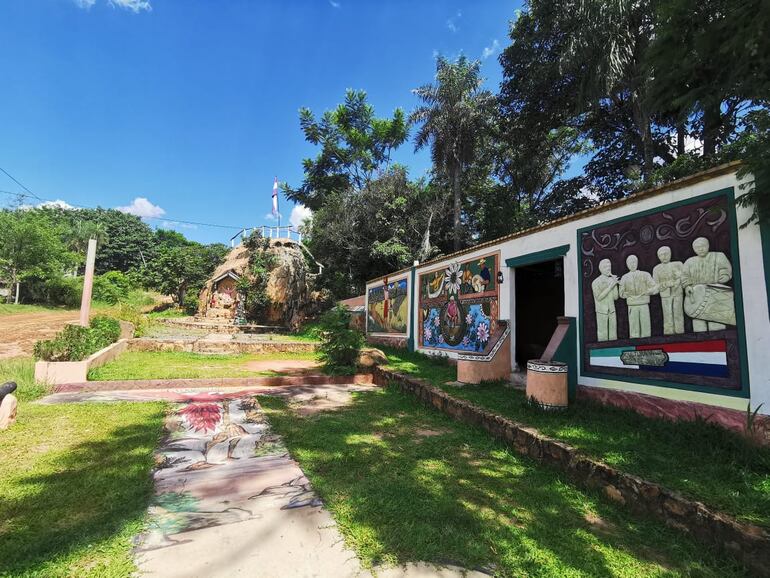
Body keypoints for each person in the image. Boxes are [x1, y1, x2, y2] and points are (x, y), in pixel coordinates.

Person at [681, 237, 733, 331]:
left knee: (716, 323)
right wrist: (687, 286)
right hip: (697, 295)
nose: (700, 249)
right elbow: (685, 276)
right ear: (693, 249)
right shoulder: (689, 261)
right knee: (699, 326)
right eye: (697, 247)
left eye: (703, 246)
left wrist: (724, 275)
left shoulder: (718, 256)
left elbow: (725, 269)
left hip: (715, 292)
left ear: (708, 245)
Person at [619, 255, 658, 338]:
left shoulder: (645, 274)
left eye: (634, 262)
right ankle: (635, 344)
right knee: (634, 329)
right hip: (632, 305)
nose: (632, 264)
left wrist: (649, 291)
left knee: (646, 328)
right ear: (627, 264)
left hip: (644, 304)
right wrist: (626, 294)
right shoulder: (624, 277)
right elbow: (621, 293)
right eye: (630, 263)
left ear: (637, 263)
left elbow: (655, 287)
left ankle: (647, 345)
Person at [652, 246, 685, 335]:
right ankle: (668, 334)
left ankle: (680, 333)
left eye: (666, 254)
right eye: (661, 255)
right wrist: (666, 284)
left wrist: (678, 281)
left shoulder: (678, 264)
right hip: (665, 294)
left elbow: (685, 277)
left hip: (677, 292)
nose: (664, 256)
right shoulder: (656, 269)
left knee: (678, 313)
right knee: (667, 315)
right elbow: (655, 285)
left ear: (670, 254)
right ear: (658, 256)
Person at [591, 259, 620, 341]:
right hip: (601, 311)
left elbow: (615, 297)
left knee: (613, 335)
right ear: (600, 269)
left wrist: (615, 285)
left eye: (609, 267)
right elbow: (599, 297)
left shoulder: (612, 280)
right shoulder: (595, 282)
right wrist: (610, 286)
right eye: (605, 267)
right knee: (602, 335)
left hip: (612, 310)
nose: (608, 269)